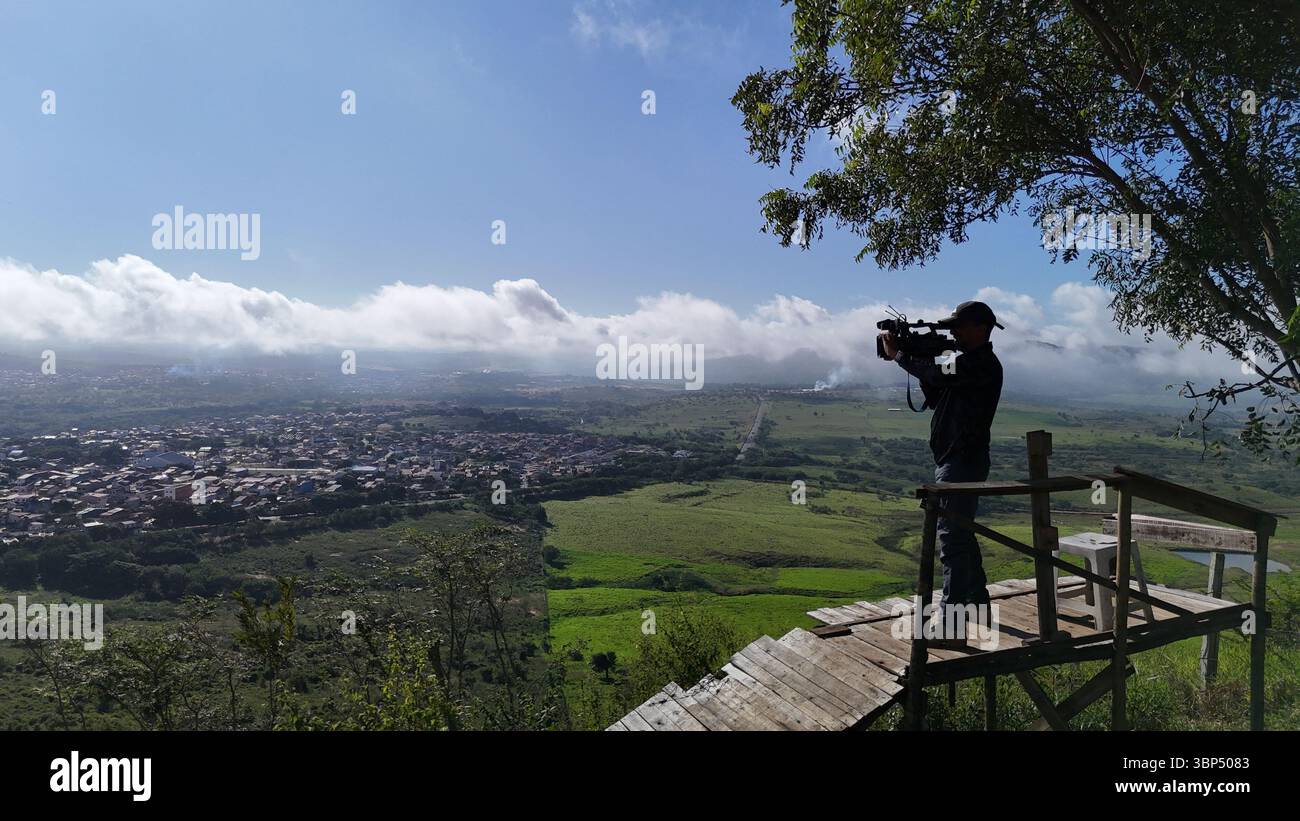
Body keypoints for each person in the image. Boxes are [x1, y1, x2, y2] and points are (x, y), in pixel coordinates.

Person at [878, 301, 1003, 641]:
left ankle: (950, 625)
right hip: (956, 458)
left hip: (961, 460)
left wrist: (902, 357)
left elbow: (936, 376)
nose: (953, 332)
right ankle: (979, 609)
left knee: (951, 541)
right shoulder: (965, 363)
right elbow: (935, 393)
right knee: (960, 536)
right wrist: (922, 359)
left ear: (981, 328)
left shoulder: (981, 364)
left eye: (959, 327)